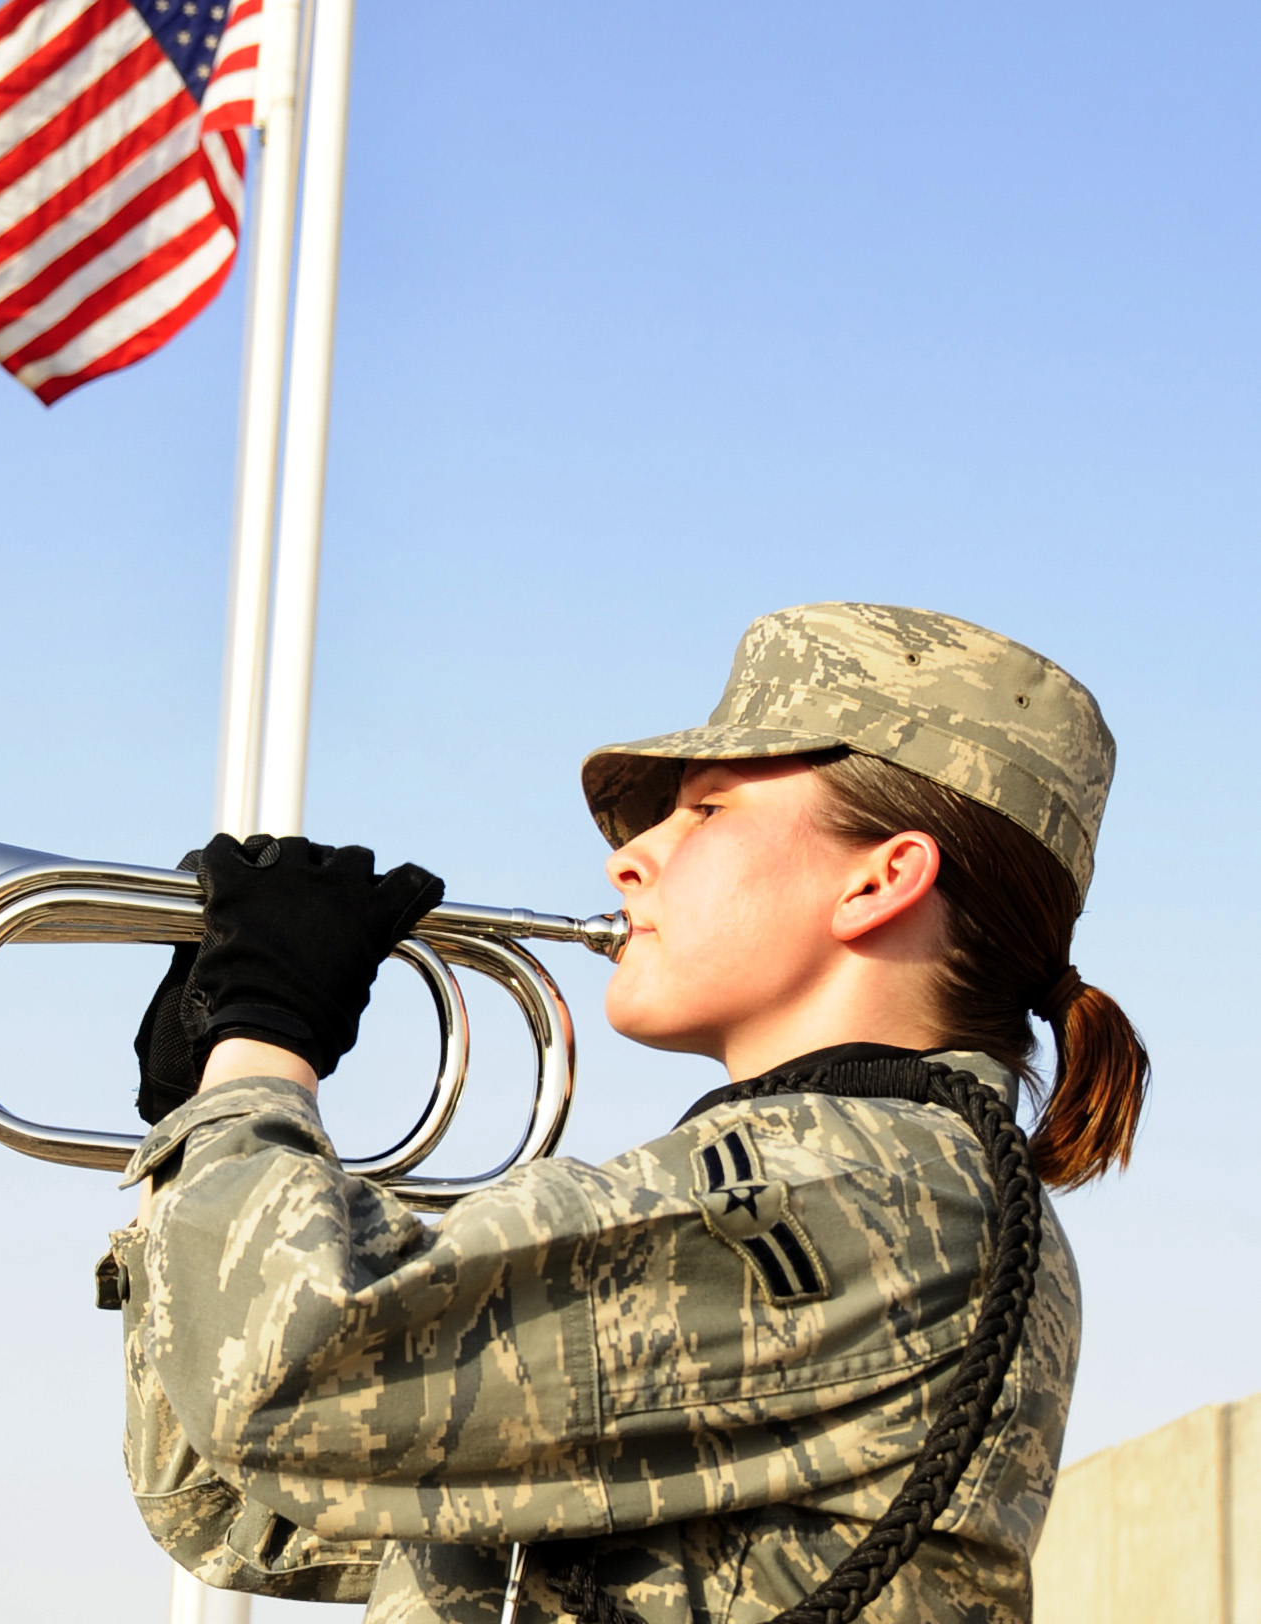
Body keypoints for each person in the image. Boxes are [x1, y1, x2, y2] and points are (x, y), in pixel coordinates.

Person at [104, 602, 1149, 1624]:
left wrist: (262, 1046)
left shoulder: (882, 1186)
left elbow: (292, 1370)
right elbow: (238, 1508)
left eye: (704, 809)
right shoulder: (856, 1172)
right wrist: (200, 1109)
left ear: (880, 877)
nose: (628, 856)